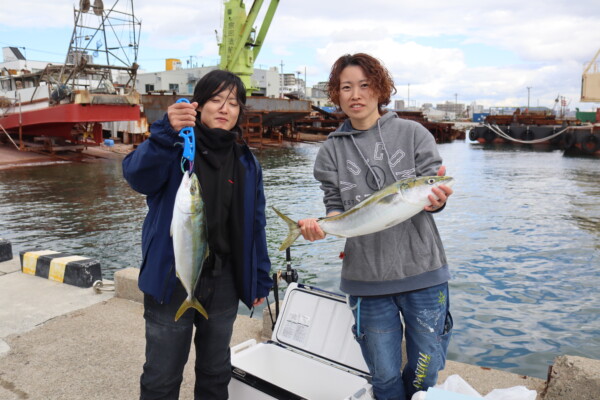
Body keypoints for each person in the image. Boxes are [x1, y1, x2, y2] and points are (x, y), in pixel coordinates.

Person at [298, 53, 454, 400]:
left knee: (425, 372)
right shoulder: (330, 153)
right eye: (346, 87)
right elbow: (335, 210)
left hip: (424, 273)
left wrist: (439, 199)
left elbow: (435, 189)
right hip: (366, 280)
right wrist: (320, 227)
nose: (356, 94)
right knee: (383, 378)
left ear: (380, 89)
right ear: (336, 95)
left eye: (365, 85)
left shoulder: (413, 134)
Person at [122, 69, 273, 400]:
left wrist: (260, 277)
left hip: (224, 281)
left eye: (233, 103)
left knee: (216, 371)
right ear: (198, 106)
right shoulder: (175, 147)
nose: (224, 108)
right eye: (215, 100)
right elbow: (136, 176)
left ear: (240, 112)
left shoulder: (247, 162)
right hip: (171, 278)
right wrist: (164, 132)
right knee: (162, 375)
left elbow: (255, 224)